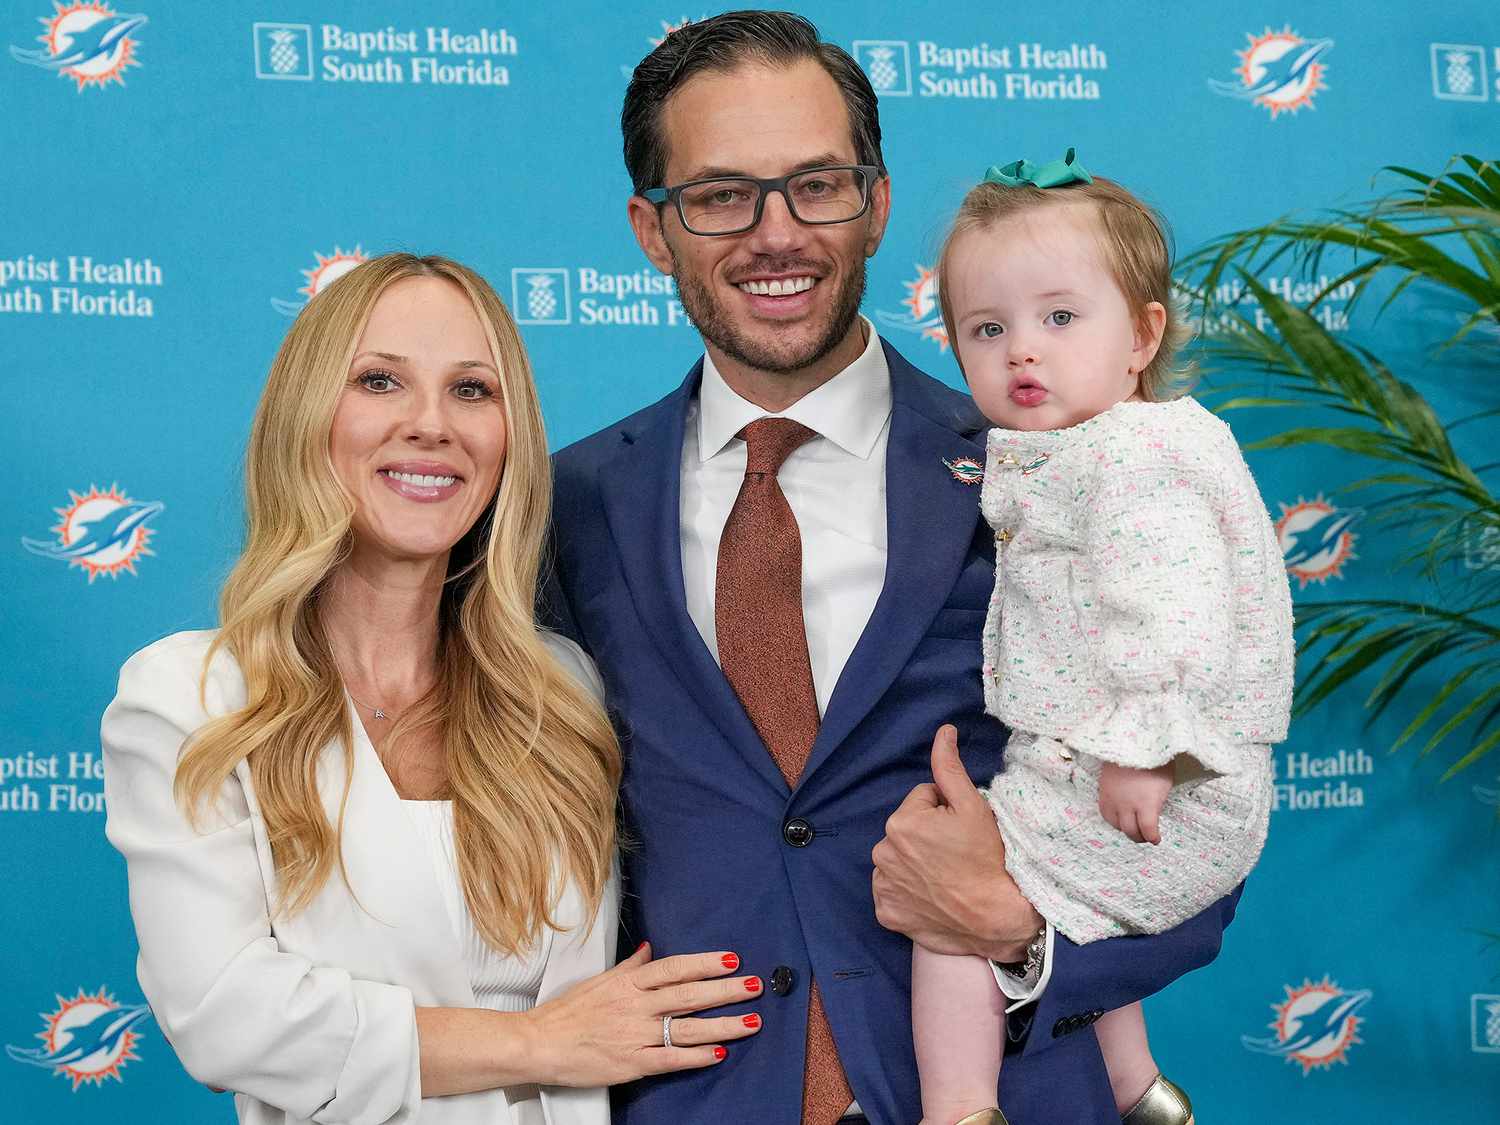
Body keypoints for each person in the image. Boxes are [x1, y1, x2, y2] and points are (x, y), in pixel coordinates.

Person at [546, 12, 1243, 1124]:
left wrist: (1018, 933)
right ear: (651, 228)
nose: (776, 233)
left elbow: (1197, 801)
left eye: (816, 184)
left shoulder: (1055, 465)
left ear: (874, 204)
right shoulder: (564, 507)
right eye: (722, 195)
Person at [101, 253, 762, 1125]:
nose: (431, 424)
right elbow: (225, 1019)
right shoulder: (194, 695)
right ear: (307, 418)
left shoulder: (558, 688)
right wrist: (540, 1041)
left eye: (472, 391)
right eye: (380, 381)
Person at [909, 153, 1294, 1125]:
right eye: (987, 330)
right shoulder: (1119, 445)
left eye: (1060, 318)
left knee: (957, 906)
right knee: (1076, 900)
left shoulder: (1127, 462)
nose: (1022, 353)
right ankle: (1139, 1089)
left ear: (1142, 336)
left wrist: (1144, 749)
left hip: (1157, 769)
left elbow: (1170, 610)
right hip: (1128, 762)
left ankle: (958, 1107)